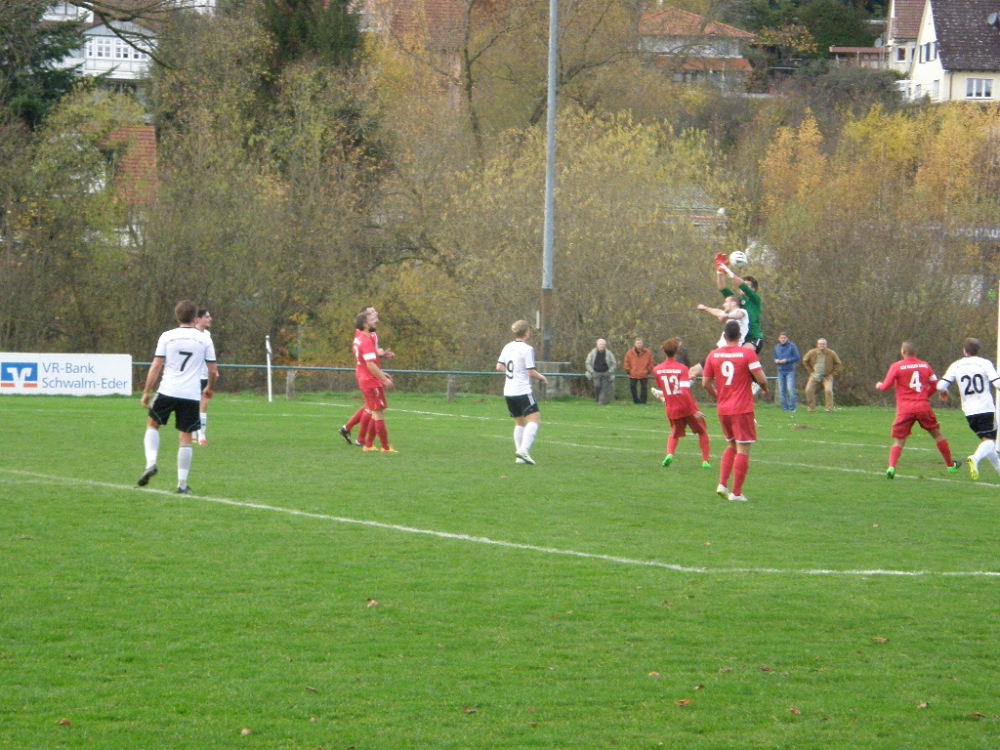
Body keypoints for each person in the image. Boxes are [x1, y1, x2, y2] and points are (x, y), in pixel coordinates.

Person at [138, 300, 218, 493]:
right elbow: (213, 371)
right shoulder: (204, 339)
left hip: (168, 390)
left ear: (177, 316)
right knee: (185, 438)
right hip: (191, 394)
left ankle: (151, 463)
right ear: (195, 318)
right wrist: (209, 387)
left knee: (152, 424)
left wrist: (146, 391)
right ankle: (181, 485)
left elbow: (156, 366)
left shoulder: (167, 336)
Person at [702, 320, 769, 502]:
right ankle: (736, 494)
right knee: (743, 449)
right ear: (740, 336)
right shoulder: (747, 354)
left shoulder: (713, 355)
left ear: (724, 336)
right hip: (741, 408)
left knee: (731, 445)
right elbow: (761, 379)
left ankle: (722, 484)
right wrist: (765, 389)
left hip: (723, 409)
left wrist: (718, 397)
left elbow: (705, 383)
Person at [876, 341, 960, 479]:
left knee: (899, 441)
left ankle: (891, 467)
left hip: (905, 409)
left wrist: (879, 385)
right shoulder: (925, 365)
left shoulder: (896, 366)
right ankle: (950, 466)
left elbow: (885, 387)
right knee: (937, 435)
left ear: (902, 351)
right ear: (916, 352)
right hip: (922, 406)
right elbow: (935, 384)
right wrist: (924, 396)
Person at [936, 337, 1000, 480]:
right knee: (990, 442)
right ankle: (975, 458)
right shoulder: (985, 363)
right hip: (985, 408)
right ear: (978, 350)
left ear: (964, 350)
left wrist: (944, 391)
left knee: (986, 442)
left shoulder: (956, 365)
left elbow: (940, 386)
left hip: (969, 411)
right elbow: (997, 384)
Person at [652, 338, 710, 468]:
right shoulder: (682, 368)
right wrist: (693, 411)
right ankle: (705, 461)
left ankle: (669, 454)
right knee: (702, 431)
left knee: (674, 433)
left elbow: (662, 385)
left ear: (663, 351)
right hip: (685, 406)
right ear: (677, 351)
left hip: (671, 408)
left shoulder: (656, 369)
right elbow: (684, 392)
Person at [340, 305, 394, 447]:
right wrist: (382, 377)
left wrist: (380, 355)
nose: (375, 314)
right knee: (373, 409)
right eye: (371, 313)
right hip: (368, 375)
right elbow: (367, 358)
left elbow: (369, 355)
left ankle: (349, 430)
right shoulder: (364, 335)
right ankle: (364, 441)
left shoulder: (370, 334)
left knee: (371, 408)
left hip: (368, 374)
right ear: (365, 319)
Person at [496, 320, 548, 465]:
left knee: (519, 423)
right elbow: (531, 372)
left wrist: (512, 374)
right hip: (522, 390)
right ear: (526, 333)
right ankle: (523, 450)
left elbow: (499, 366)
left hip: (509, 390)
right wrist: (542, 377)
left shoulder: (508, 347)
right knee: (534, 420)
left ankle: (520, 456)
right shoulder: (527, 349)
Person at [353, 307, 396, 452]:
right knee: (378, 413)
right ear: (365, 324)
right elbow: (370, 364)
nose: (375, 321)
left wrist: (381, 372)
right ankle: (385, 447)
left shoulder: (359, 338)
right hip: (370, 381)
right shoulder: (365, 341)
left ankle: (368, 445)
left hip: (365, 379)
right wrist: (384, 379)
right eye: (371, 319)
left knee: (374, 412)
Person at [688, 297, 748, 381]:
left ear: (733, 303)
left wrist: (727, 316)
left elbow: (738, 315)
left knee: (694, 372)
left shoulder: (742, 312)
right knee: (693, 372)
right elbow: (718, 312)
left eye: (726, 302)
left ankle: (753, 381)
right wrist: (705, 308)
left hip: (727, 354)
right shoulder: (729, 315)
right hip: (721, 353)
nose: (723, 304)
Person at [714, 253, 763, 353]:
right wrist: (719, 272)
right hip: (740, 340)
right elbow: (722, 288)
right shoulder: (737, 301)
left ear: (753, 289)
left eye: (747, 285)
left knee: (741, 354)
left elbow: (742, 285)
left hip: (753, 338)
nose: (743, 287)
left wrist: (728, 271)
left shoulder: (755, 300)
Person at [192, 308, 215, 445]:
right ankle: (193, 434)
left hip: (203, 374)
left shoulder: (207, 334)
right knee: (191, 404)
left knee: (204, 403)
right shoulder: (190, 334)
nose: (210, 319)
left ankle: (201, 435)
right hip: (191, 375)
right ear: (198, 319)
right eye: (206, 317)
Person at [802, 339, 842, 412]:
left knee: (828, 391)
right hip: (815, 375)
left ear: (826, 345)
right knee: (808, 390)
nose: (822, 345)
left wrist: (832, 374)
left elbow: (838, 364)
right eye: (820, 344)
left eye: (823, 344)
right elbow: (805, 360)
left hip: (827, 376)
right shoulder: (812, 352)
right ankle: (811, 408)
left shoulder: (831, 353)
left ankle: (828, 409)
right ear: (817, 345)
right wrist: (810, 371)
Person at [773, 332, 800, 412]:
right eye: (781, 338)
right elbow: (774, 357)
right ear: (779, 338)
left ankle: (792, 408)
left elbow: (797, 357)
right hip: (780, 370)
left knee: (790, 390)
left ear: (787, 338)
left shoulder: (792, 346)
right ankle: (785, 408)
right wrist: (776, 360)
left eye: (784, 338)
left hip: (789, 370)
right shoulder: (777, 347)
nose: (783, 339)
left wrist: (786, 360)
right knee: (782, 391)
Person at [585, 338, 616, 405]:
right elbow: (587, 363)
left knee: (604, 388)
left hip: (606, 373)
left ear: (605, 345)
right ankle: (597, 399)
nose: (601, 346)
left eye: (603, 344)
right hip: (595, 373)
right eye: (600, 344)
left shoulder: (609, 353)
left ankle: (601, 402)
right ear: (597, 345)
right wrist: (592, 371)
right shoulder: (592, 353)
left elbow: (614, 364)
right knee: (597, 386)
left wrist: (610, 371)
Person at [623, 337, 654, 404]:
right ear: (635, 344)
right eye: (637, 343)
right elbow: (626, 362)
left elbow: (651, 362)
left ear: (642, 344)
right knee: (632, 387)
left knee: (644, 388)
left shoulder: (648, 353)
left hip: (644, 373)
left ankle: (643, 401)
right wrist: (628, 370)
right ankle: (636, 401)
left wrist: (648, 370)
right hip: (633, 373)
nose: (639, 344)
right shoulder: (630, 352)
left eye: (640, 343)